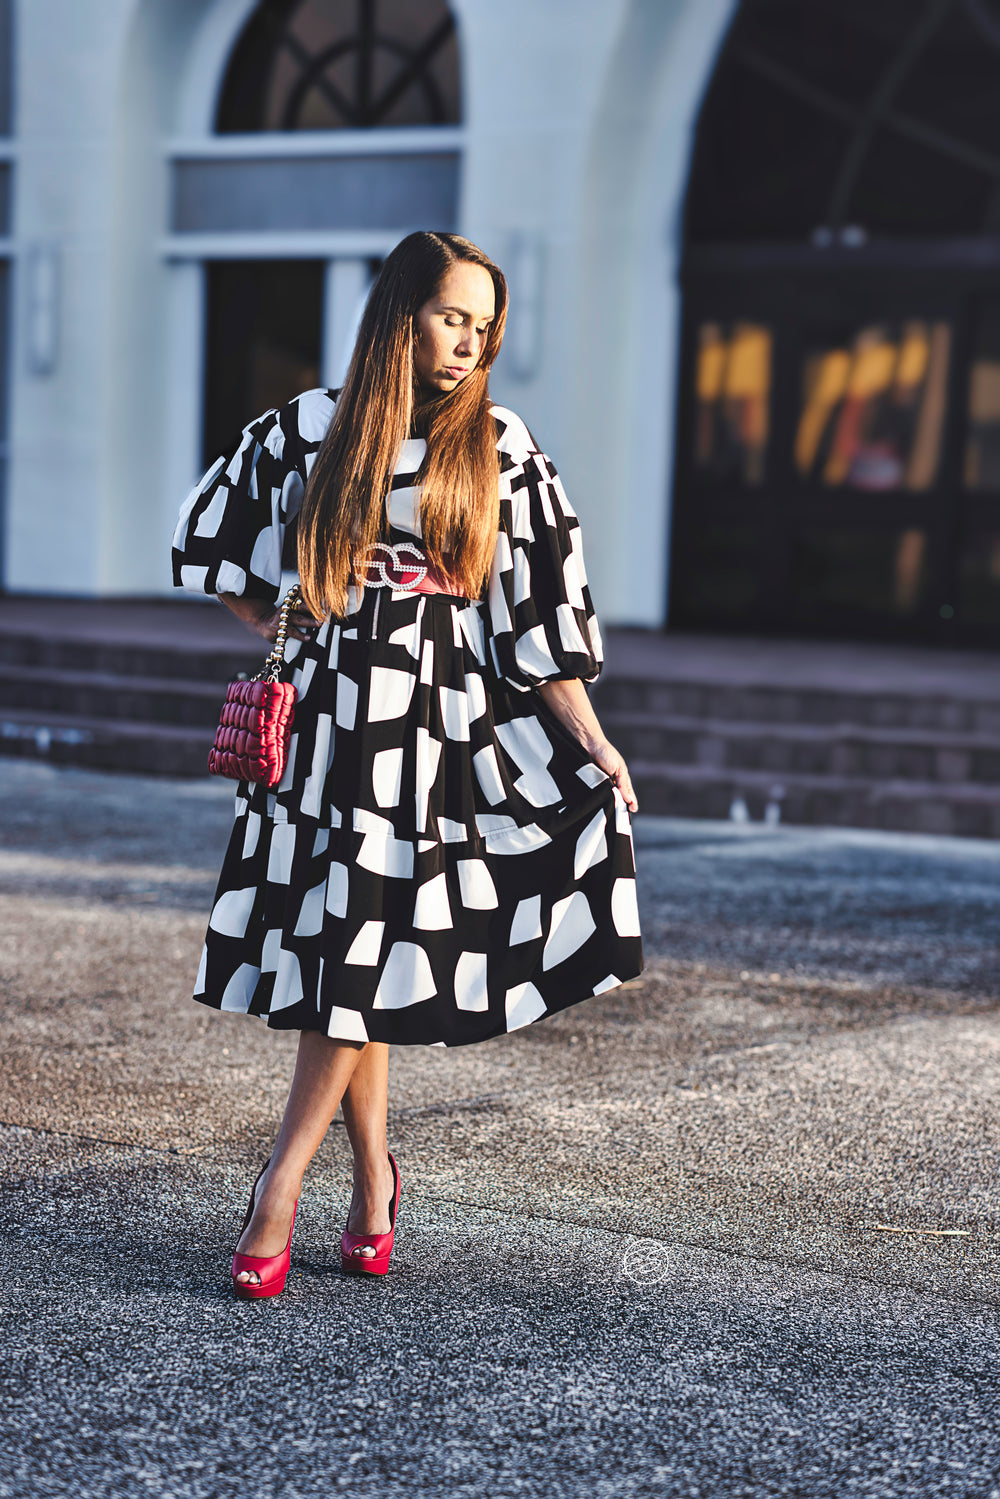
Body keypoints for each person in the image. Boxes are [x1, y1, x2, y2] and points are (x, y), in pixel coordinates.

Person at [172, 231, 643, 1298]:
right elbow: (219, 549)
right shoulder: (308, 427)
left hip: (436, 735)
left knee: (354, 948)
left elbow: (535, 617)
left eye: (484, 325)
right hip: (330, 729)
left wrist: (592, 740)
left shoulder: (501, 444)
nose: (469, 342)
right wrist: (297, 619)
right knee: (354, 950)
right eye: (450, 317)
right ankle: (378, 1179)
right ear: (400, 314)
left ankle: (280, 1183)